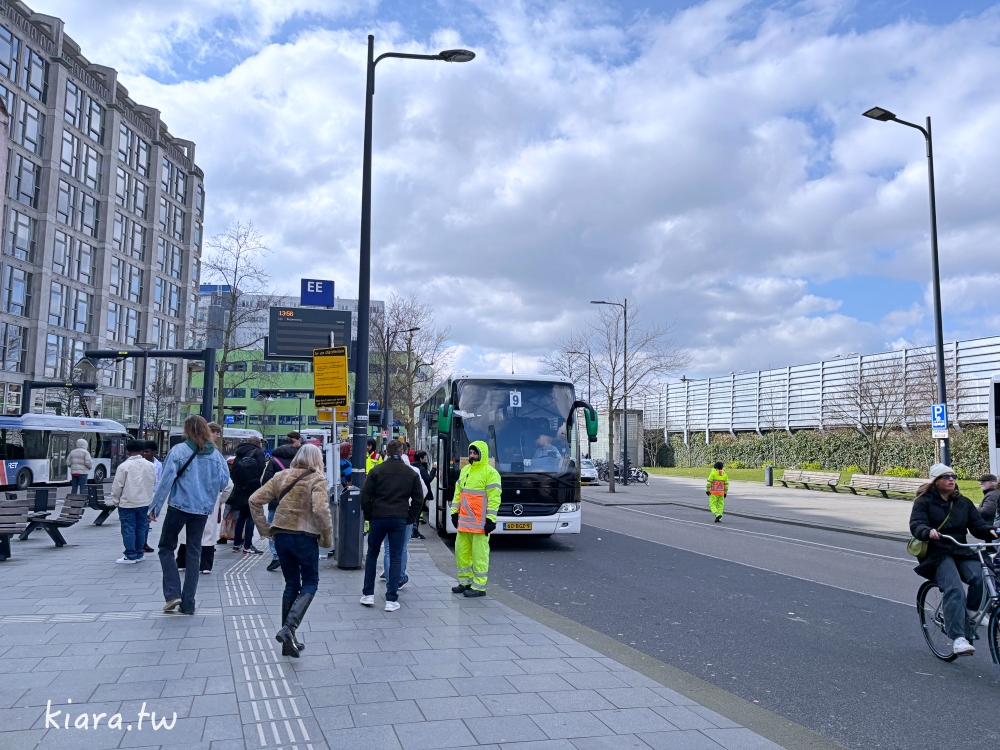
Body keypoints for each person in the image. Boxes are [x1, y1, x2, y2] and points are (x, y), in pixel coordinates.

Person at [249, 443, 331, 657]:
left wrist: (266, 531)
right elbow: (321, 510)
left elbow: (254, 500)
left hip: (282, 536)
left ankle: (288, 641)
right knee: (311, 581)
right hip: (305, 537)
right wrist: (327, 537)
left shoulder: (281, 476)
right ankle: (289, 629)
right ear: (317, 460)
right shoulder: (317, 478)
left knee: (291, 584)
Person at [910, 463, 999, 656]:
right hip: (937, 553)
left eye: (953, 476)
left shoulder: (963, 502)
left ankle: (971, 611)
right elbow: (916, 524)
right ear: (935, 481)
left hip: (960, 550)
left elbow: (977, 526)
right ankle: (958, 638)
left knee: (983, 575)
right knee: (954, 588)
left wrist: (990, 531)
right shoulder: (924, 502)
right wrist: (927, 531)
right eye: (946, 476)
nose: (951, 479)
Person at [149, 415, 231, 615]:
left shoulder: (179, 451)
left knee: (166, 547)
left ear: (187, 430)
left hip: (179, 506)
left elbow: (166, 480)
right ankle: (189, 603)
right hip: (202, 510)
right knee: (195, 553)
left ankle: (172, 593)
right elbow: (224, 482)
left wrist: (155, 507)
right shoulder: (216, 455)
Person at [359, 440, 424, 612]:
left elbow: (365, 496)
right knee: (395, 556)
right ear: (402, 452)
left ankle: (368, 594)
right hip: (399, 518)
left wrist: (369, 515)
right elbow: (419, 499)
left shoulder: (376, 471)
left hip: (378, 517)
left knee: (372, 554)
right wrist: (410, 517)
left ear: (386, 452)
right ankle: (391, 599)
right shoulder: (411, 473)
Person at [451, 441, 501, 597]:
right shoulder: (465, 470)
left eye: (475, 453)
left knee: (479, 555)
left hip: (480, 524)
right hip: (464, 522)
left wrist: (491, 519)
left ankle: (479, 587)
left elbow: (494, 498)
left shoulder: (490, 473)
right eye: (470, 453)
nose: (472, 456)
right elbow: (458, 493)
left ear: (482, 454)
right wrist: (454, 512)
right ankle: (465, 582)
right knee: (461, 553)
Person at [380, 453, 427, 588]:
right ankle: (400, 578)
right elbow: (423, 492)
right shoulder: (413, 471)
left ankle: (390, 579)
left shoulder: (382, 470)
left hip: (386, 513)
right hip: (405, 514)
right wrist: (413, 511)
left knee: (388, 548)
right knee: (402, 547)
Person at [110, 440, 156, 564]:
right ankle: (139, 553)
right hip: (145, 502)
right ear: (141, 451)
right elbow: (154, 482)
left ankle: (130, 555)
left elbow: (117, 486)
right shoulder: (150, 465)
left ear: (128, 452)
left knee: (128, 528)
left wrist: (115, 500)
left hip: (127, 502)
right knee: (141, 528)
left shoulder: (124, 466)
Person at [261, 434, 301, 571]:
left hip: (276, 501)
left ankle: (276, 556)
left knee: (273, 528)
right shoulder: (298, 462)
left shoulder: (273, 461)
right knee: (294, 528)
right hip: (295, 501)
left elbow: (265, 481)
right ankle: (293, 556)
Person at [178, 476, 233, 574]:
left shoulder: (189, 461)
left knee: (187, 530)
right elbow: (228, 485)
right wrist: (220, 499)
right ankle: (205, 565)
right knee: (208, 531)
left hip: (190, 498)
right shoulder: (217, 462)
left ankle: (182, 562)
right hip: (210, 498)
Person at [228, 436, 268, 555]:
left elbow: (233, 470)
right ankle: (248, 546)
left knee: (241, 517)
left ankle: (236, 544)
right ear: (257, 443)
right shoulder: (258, 453)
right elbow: (262, 471)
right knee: (251, 518)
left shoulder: (239, 452)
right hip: (253, 489)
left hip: (240, 489)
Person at [139, 440, 163, 553]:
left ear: (154, 451)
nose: (145, 454)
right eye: (143, 452)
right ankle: (138, 544)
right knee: (140, 522)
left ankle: (143, 543)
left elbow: (159, 483)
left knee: (146, 522)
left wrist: (156, 502)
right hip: (138, 496)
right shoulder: (139, 463)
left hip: (151, 497)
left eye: (147, 452)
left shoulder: (158, 465)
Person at [411, 450, 436, 540]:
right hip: (420, 494)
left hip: (413, 493)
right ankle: (414, 532)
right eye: (425, 458)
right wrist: (433, 469)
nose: (426, 460)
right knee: (417, 514)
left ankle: (413, 531)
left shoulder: (411, 466)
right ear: (421, 459)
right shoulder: (421, 468)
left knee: (414, 513)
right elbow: (428, 479)